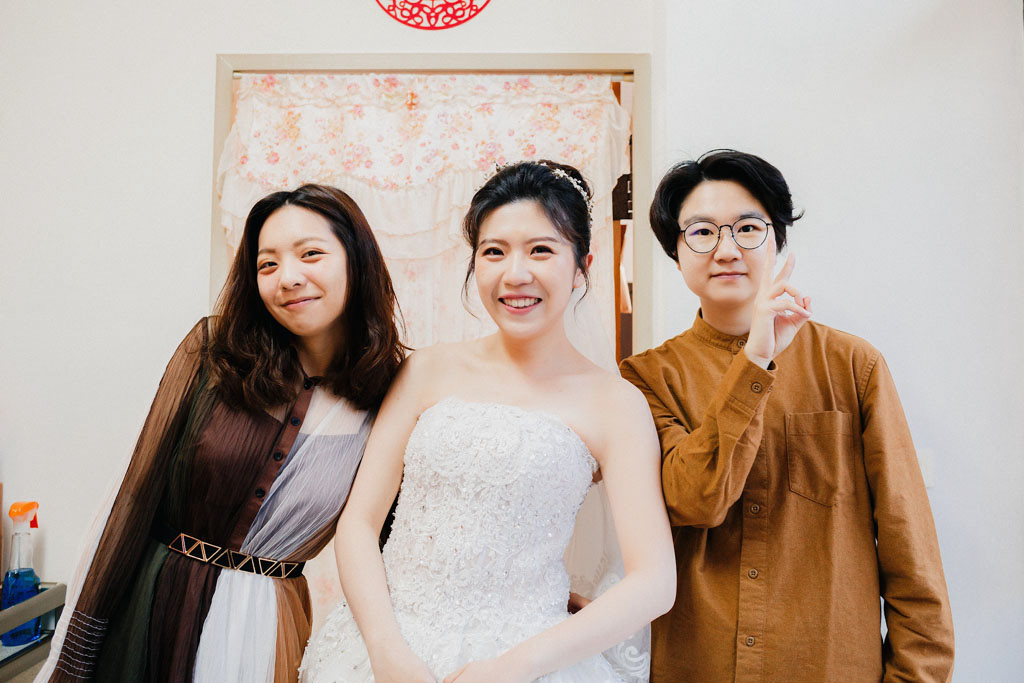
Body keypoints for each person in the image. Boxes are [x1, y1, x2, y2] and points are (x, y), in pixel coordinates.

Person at [300, 161, 676, 683]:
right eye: (494, 251)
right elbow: (360, 523)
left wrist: (511, 668)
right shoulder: (427, 369)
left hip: (529, 660)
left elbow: (654, 582)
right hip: (383, 650)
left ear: (582, 266)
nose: (515, 274)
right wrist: (386, 652)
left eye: (541, 250)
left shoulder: (617, 404)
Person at [38, 184, 405, 682]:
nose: (287, 278)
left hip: (268, 630)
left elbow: (389, 545)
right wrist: (76, 657)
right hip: (154, 608)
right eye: (267, 264)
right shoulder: (212, 352)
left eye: (310, 254)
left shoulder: (392, 396)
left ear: (357, 261)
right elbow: (134, 498)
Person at [619, 149, 955, 681]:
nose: (726, 249)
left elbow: (908, 544)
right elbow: (696, 500)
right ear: (675, 254)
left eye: (748, 228)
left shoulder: (853, 365)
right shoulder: (645, 379)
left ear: (776, 241)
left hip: (827, 665)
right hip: (698, 665)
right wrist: (754, 364)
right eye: (702, 232)